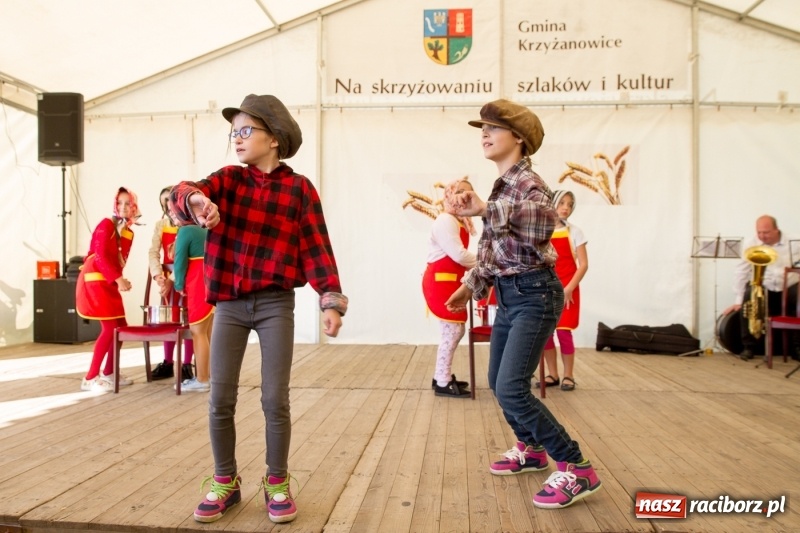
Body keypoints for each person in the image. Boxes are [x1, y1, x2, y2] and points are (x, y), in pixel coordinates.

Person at [169, 94, 347, 525]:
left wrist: (330, 300)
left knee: (274, 398)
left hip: (274, 304)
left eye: (246, 131)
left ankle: (277, 481)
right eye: (234, 132)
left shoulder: (299, 189)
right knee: (219, 397)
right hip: (229, 304)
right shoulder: (227, 181)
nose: (238, 138)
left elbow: (316, 246)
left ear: (274, 138)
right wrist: (195, 203)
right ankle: (225, 482)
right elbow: (183, 194)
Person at [445, 99, 601, 509]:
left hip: (535, 294)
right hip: (512, 296)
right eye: (482, 127)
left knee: (513, 389)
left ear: (519, 138)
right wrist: (470, 284)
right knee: (499, 382)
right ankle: (532, 450)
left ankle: (576, 466)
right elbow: (495, 251)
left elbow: (543, 221)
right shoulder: (502, 187)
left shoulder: (529, 183)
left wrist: (484, 208)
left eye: (493, 127)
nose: (484, 133)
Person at [76, 187, 140, 392]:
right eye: (120, 202)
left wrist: (119, 279)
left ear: (134, 207)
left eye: (128, 203)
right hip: (96, 280)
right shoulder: (106, 224)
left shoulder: (128, 232)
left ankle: (110, 372)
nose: (123, 207)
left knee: (120, 327)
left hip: (108, 281)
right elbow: (101, 256)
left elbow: (117, 260)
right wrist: (118, 279)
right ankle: (90, 377)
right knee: (110, 328)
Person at [422, 177, 477, 398]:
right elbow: (459, 255)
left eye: (469, 192)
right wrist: (488, 262)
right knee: (453, 330)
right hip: (440, 282)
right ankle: (443, 382)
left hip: (450, 280)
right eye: (459, 191)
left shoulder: (459, 221)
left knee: (452, 330)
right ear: (449, 194)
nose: (464, 195)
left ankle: (441, 377)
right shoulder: (445, 220)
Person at [536, 190, 588, 392]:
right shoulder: (542, 232)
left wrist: (569, 289)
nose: (566, 207)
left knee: (564, 332)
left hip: (569, 288)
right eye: (562, 203)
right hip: (547, 289)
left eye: (569, 204)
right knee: (547, 333)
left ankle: (569, 375)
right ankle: (553, 374)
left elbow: (583, 265)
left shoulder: (576, 232)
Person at [722, 215, 794, 360]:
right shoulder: (752, 243)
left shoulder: (794, 241)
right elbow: (741, 271)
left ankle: (797, 347)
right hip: (762, 284)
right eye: (759, 232)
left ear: (776, 230)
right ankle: (748, 346)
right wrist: (738, 300)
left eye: (766, 232)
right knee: (747, 299)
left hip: (789, 285)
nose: (762, 236)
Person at [147, 186, 194, 381]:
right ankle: (168, 362)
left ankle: (186, 365)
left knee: (189, 321)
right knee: (169, 319)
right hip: (167, 281)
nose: (167, 204)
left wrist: (173, 280)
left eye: (170, 199)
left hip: (186, 278)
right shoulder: (160, 225)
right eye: (164, 200)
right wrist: (158, 276)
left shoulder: (189, 224)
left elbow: (187, 257)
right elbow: (153, 252)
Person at [170, 220, 213, 392]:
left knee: (198, 332)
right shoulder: (206, 228)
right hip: (210, 280)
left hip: (197, 282)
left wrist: (179, 284)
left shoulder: (186, 230)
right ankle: (207, 376)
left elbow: (179, 261)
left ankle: (202, 380)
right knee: (208, 333)